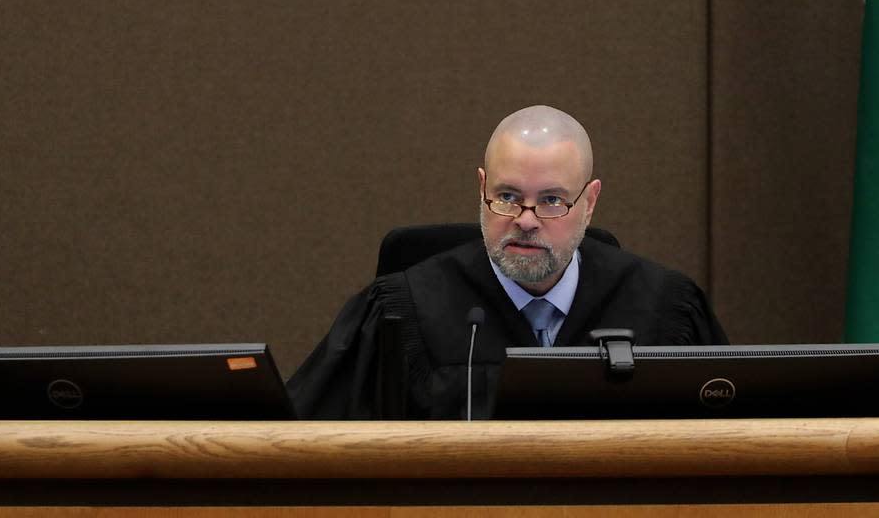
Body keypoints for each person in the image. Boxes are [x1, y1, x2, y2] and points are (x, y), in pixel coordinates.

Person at [287, 105, 727, 419]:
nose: (526, 221)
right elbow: (297, 441)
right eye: (508, 197)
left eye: (552, 200)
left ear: (589, 202)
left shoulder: (664, 310)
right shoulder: (404, 310)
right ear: (482, 188)